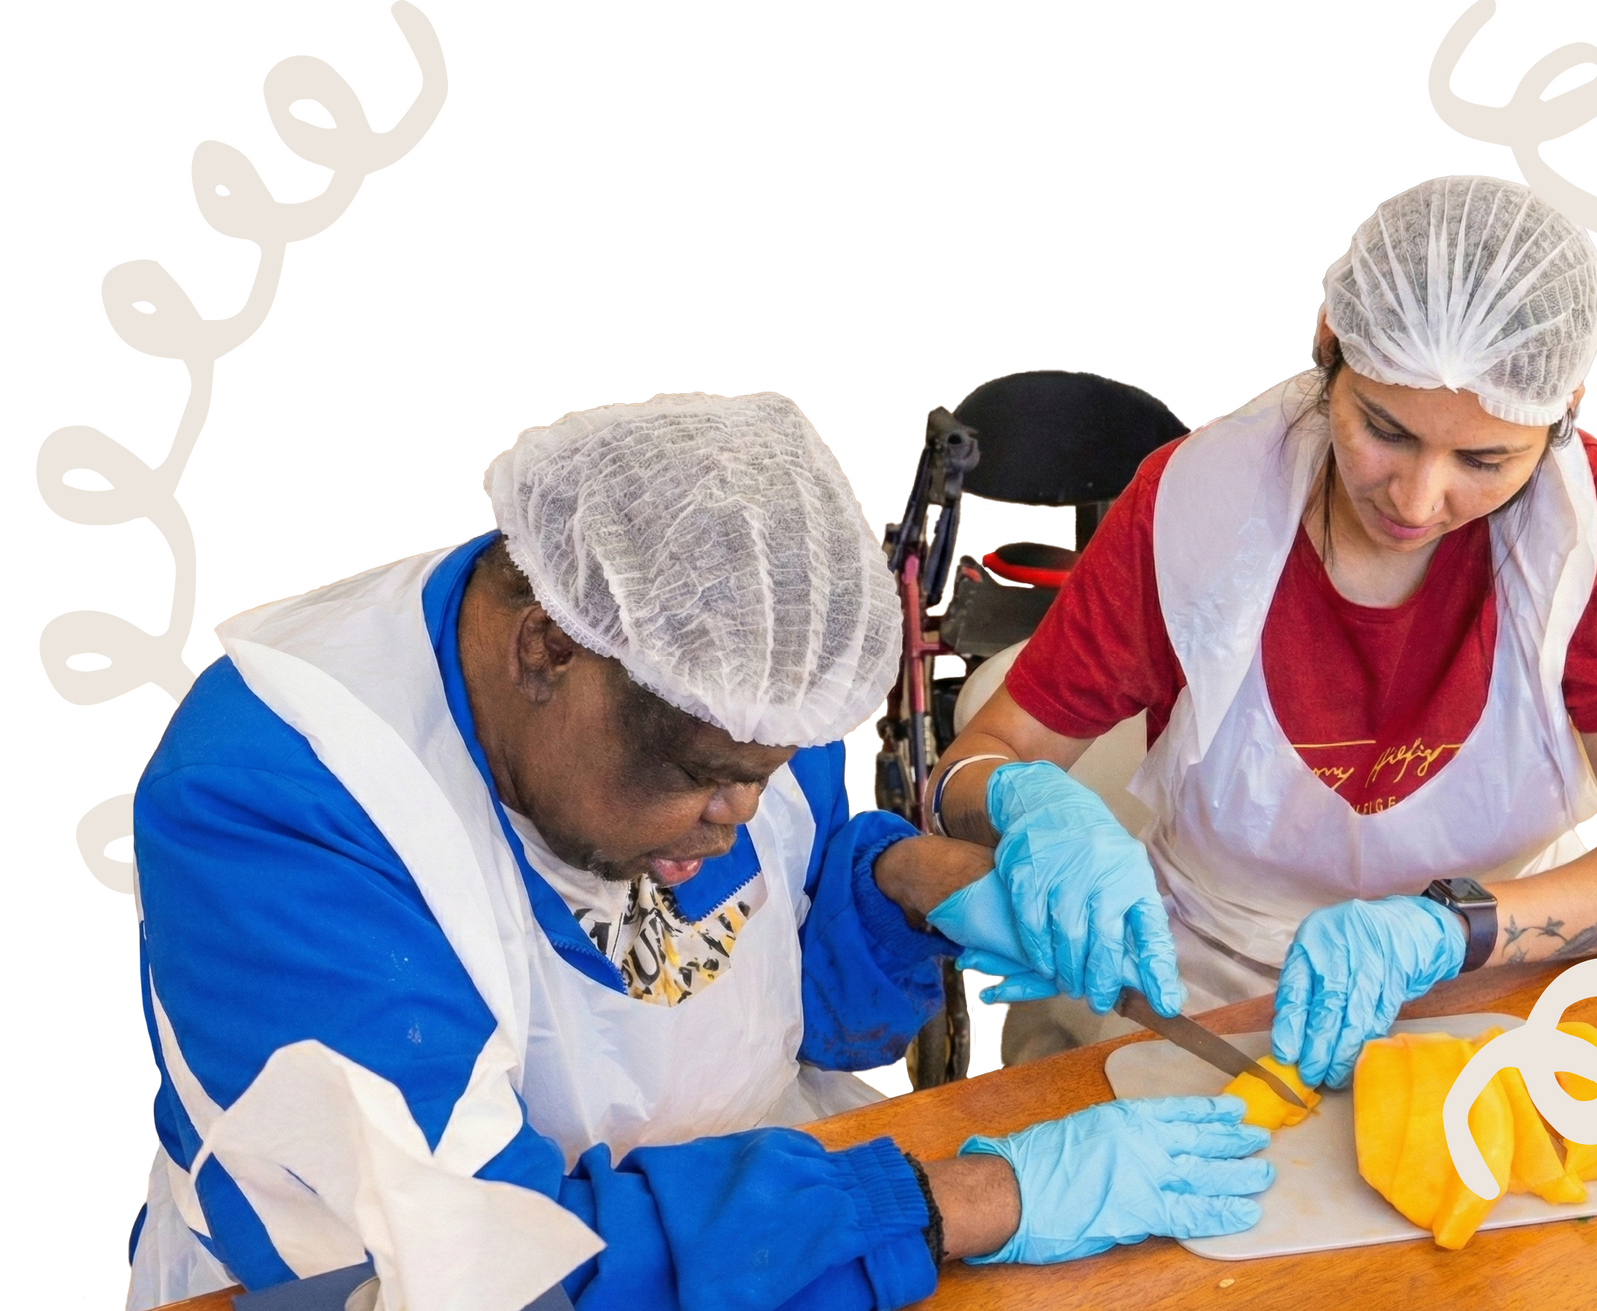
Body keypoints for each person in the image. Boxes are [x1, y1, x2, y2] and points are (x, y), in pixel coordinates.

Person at [125, 391, 1265, 1311]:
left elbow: (780, 998)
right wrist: (962, 1201)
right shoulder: (282, 802)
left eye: (770, 775)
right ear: (546, 648)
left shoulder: (726, 664)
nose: (739, 820)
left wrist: (917, 888)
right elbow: (492, 1268)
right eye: (705, 778)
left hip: (746, 1232)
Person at [933, 173, 1597, 1084]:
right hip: (1218, 975)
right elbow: (977, 761)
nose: (1418, 500)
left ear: (1564, 411)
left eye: (1485, 460)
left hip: (1497, 960)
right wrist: (1025, 806)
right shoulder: (1194, 509)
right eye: (1385, 430)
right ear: (1328, 345)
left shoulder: (1579, 524)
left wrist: (1453, 926)